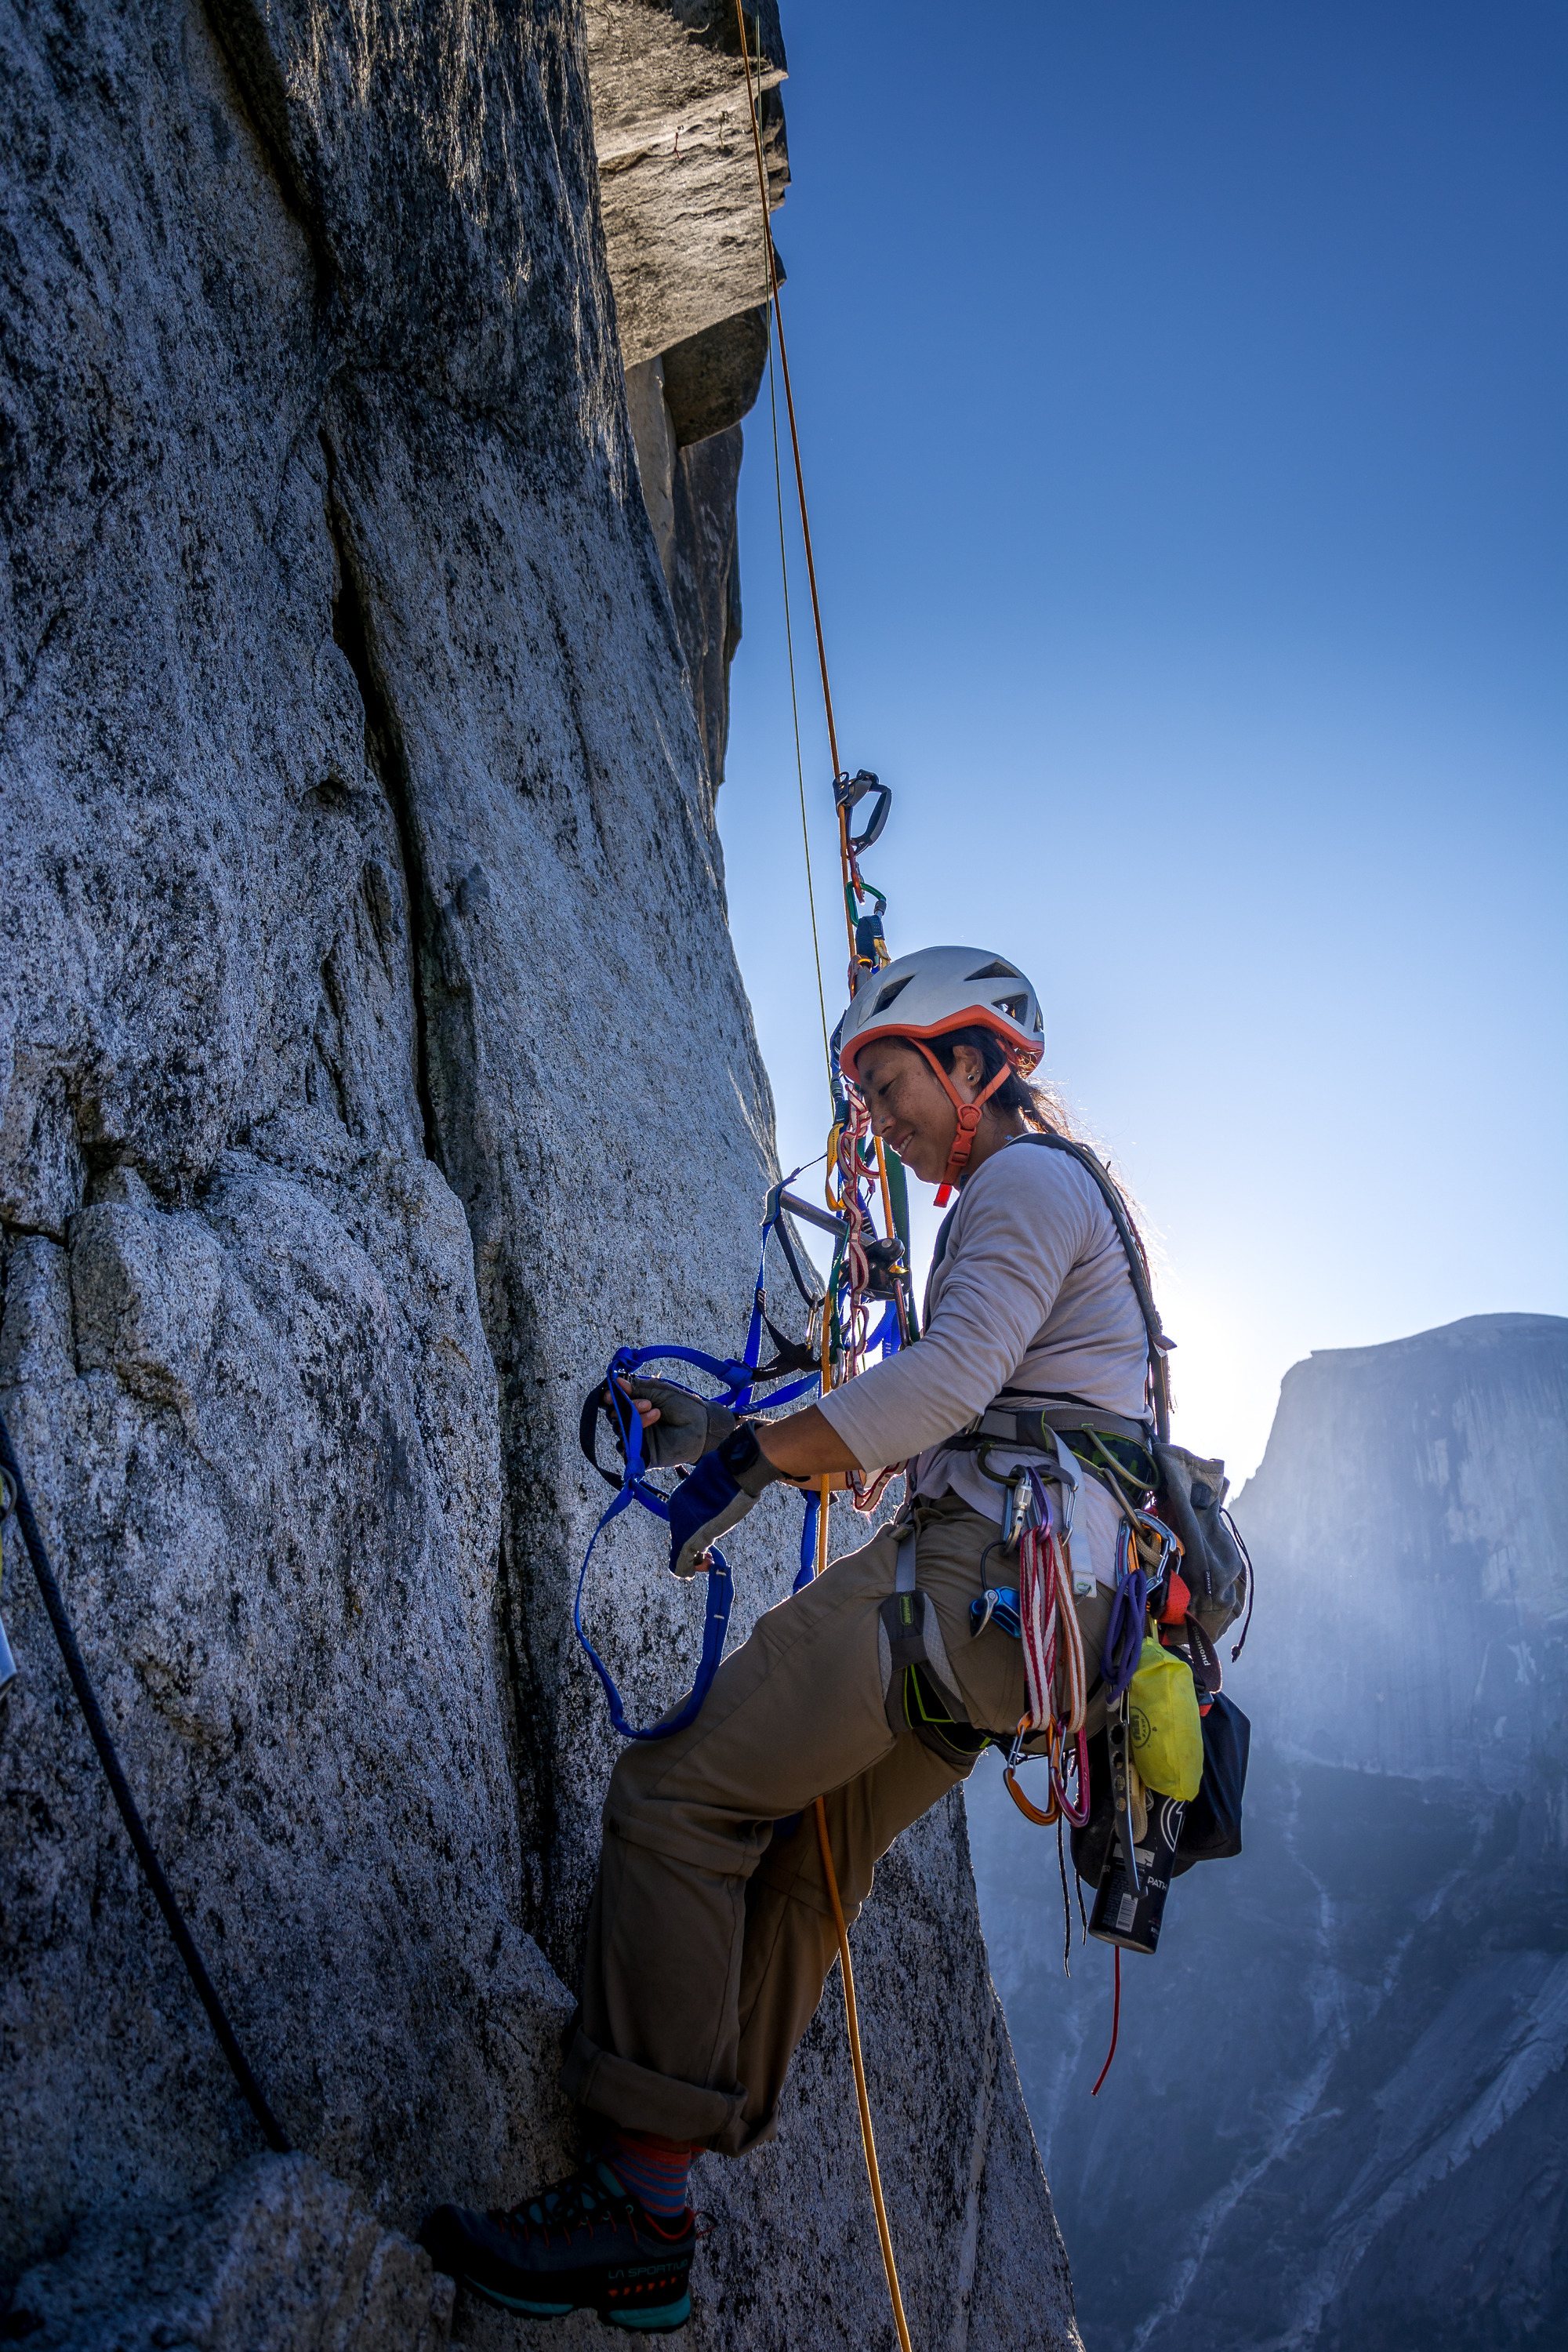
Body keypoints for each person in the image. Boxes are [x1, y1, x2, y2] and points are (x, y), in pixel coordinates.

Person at [422, 947, 1158, 2330]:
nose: (879, 1122)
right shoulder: (1067, 1207)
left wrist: (748, 1464)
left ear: (976, 1063)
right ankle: (669, 2167)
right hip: (1030, 1641)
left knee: (677, 1793)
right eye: (869, 1099)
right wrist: (762, 1437)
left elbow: (943, 1383)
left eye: (892, 1087)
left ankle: (641, 2195)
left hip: (974, 1582)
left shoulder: (1025, 1182)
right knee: (810, 1861)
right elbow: (965, 1401)